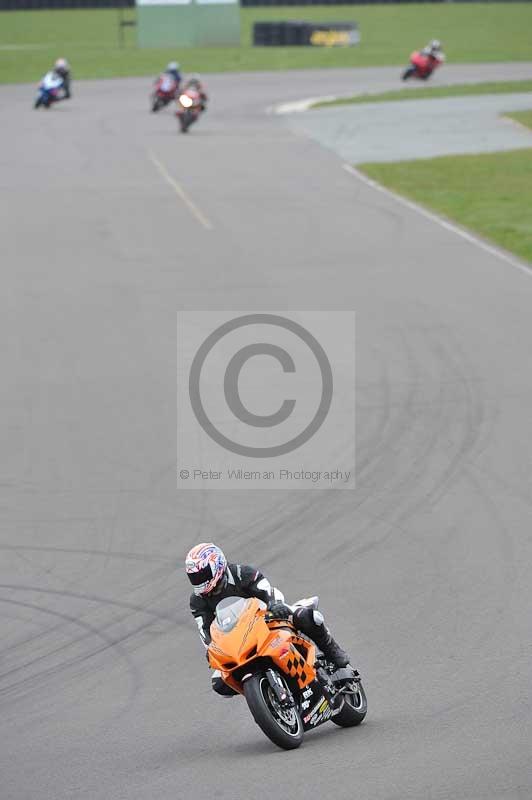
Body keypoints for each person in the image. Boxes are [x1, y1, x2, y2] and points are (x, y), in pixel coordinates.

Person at [186, 542, 351, 697]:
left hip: (266, 617)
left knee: (307, 617)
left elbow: (267, 591)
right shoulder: (197, 600)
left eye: (202, 575)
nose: (199, 581)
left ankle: (331, 651)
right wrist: (210, 649)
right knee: (219, 682)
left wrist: (275, 605)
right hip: (237, 637)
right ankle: (264, 693)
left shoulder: (241, 573)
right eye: (194, 577)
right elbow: (204, 628)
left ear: (217, 565)